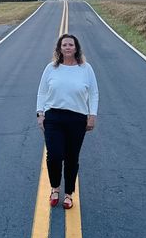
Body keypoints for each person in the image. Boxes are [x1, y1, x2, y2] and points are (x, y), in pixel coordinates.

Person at [36, 33, 99, 209]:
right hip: (53, 117)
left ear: (76, 48)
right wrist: (40, 113)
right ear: (59, 48)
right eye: (64, 45)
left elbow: (94, 93)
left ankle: (69, 194)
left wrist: (92, 115)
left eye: (71, 45)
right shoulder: (51, 68)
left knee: (72, 157)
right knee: (54, 155)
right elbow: (41, 92)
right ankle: (55, 188)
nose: (68, 47)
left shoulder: (86, 69)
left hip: (77, 118)